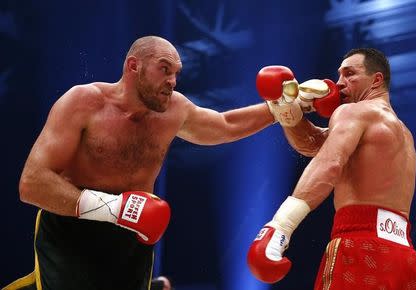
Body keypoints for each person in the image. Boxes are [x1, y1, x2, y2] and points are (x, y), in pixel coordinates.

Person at [4, 35, 280, 290]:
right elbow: (32, 183)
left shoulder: (175, 110)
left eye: (176, 73)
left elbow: (225, 125)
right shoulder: (84, 102)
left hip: (133, 239)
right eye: (164, 69)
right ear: (133, 66)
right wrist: (115, 208)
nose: (173, 81)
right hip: (71, 232)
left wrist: (278, 109)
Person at [247, 48, 416, 289]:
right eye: (339, 75)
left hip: (360, 245)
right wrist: (288, 110)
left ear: (377, 79)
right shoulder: (401, 132)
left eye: (349, 74)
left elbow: (330, 161)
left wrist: (281, 225)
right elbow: (315, 144)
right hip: (402, 255)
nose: (339, 83)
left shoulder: (353, 112)